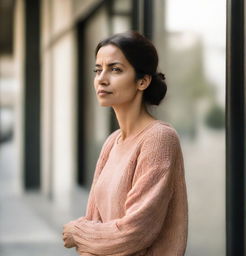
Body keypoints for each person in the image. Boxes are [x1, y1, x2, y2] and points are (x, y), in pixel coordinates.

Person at [62, 31, 188, 256]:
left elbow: (136, 232)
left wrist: (78, 232)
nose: (101, 78)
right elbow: (93, 218)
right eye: (98, 70)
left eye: (115, 69)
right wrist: (89, 238)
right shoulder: (112, 142)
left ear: (143, 81)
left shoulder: (159, 138)